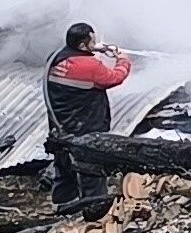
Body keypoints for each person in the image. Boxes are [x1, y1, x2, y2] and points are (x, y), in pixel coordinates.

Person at [44, 21, 133, 216]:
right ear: (83, 46)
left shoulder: (56, 57)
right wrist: (124, 60)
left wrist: (99, 49)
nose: (96, 42)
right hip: (85, 127)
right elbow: (114, 77)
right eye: (92, 41)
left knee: (64, 166)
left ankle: (62, 208)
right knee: (91, 171)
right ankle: (95, 214)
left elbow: (80, 59)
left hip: (60, 125)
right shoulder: (89, 66)